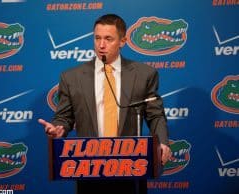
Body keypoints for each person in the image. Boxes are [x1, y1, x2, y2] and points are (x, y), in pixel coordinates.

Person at [39, 14, 171, 194]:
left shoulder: (144, 74)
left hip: (131, 168)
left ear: (123, 41)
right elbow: (64, 117)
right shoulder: (72, 77)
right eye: (97, 38)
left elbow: (155, 115)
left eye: (108, 39)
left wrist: (162, 142)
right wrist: (59, 128)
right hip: (89, 168)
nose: (101, 45)